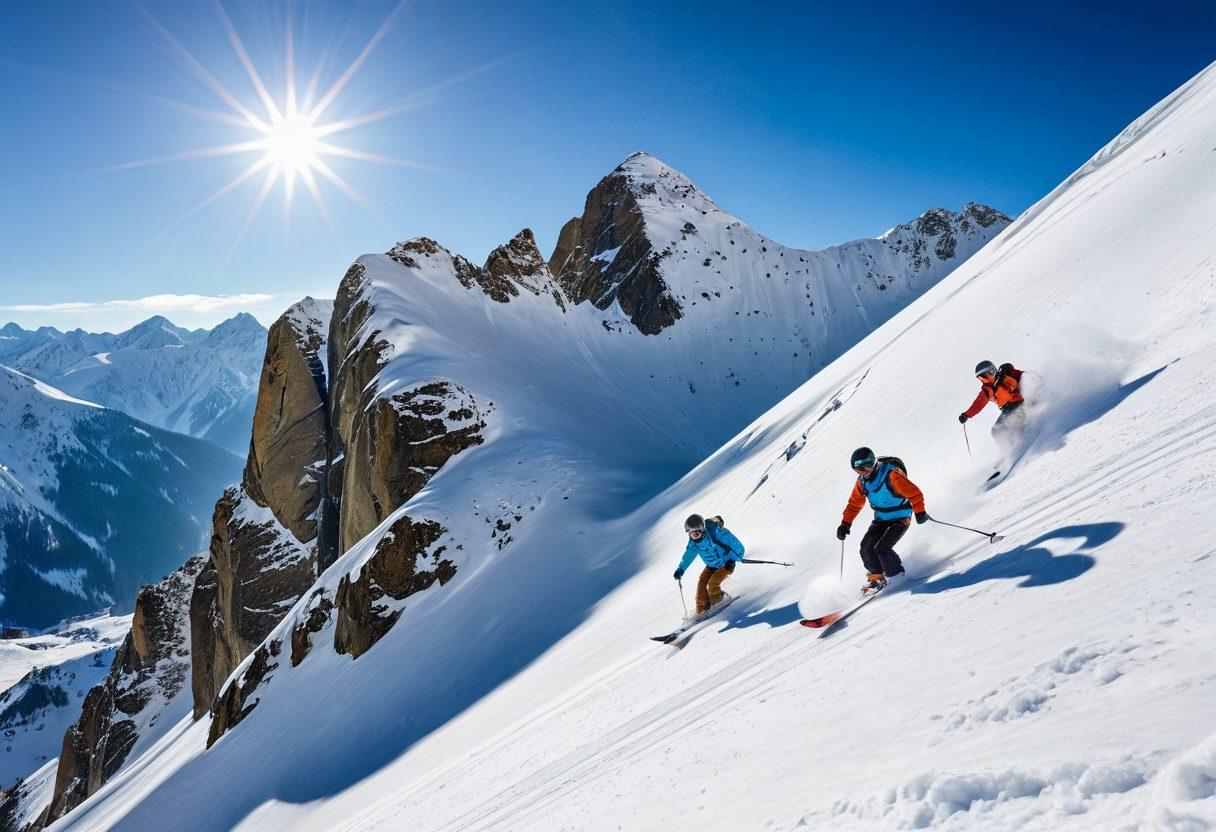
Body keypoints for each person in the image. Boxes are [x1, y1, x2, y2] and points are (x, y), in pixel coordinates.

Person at [836, 447, 928, 592]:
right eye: (858, 471)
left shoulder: (891, 476)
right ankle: (877, 578)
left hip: (900, 517)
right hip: (881, 519)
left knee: (881, 548)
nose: (862, 474)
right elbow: (854, 504)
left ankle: (897, 576)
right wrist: (845, 524)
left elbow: (914, 493)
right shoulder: (862, 482)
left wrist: (920, 512)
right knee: (866, 547)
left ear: (872, 464)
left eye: (864, 470)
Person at [673, 514, 745, 617]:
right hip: (712, 565)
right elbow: (688, 556)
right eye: (691, 534)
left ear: (702, 530)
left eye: (697, 533)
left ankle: (718, 603)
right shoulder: (693, 544)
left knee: (713, 583)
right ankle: (701, 611)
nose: (694, 537)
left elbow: (734, 544)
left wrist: (735, 559)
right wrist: (681, 569)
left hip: (726, 563)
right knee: (702, 583)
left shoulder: (715, 536)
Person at [958, 360, 1027, 459]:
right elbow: (979, 403)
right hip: (1008, 411)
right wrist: (966, 414)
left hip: (1022, 405)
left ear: (991, 371)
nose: (983, 380)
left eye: (984, 376)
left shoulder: (1005, 375)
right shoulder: (987, 389)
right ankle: (1009, 453)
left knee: (1017, 426)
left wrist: (1009, 371)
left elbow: (1025, 379)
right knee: (997, 430)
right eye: (980, 378)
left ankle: (1023, 445)